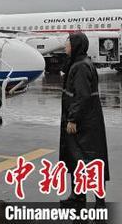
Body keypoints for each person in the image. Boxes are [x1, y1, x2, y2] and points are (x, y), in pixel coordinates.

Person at [60, 32, 109, 208]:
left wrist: (72, 119)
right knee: (77, 158)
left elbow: (82, 95)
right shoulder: (79, 63)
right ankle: (78, 196)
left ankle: (99, 201)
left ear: (76, 45)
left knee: (89, 159)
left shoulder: (80, 66)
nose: (65, 45)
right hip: (86, 118)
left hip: (84, 122)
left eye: (68, 42)